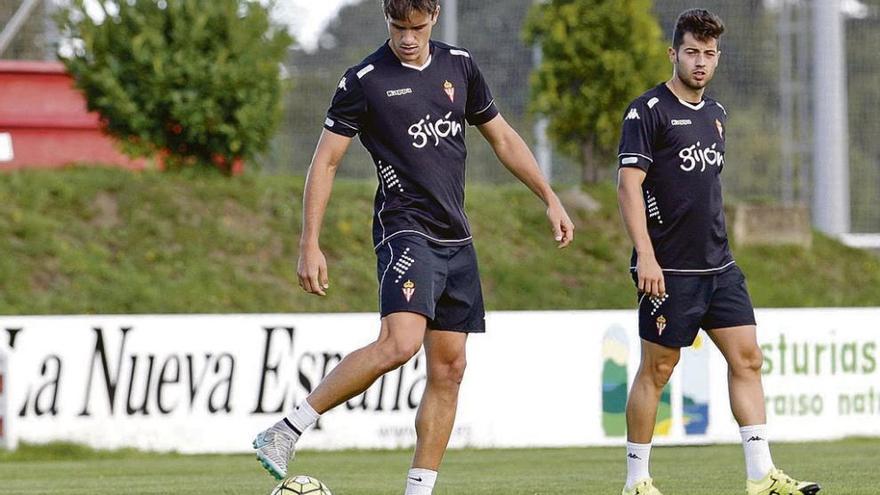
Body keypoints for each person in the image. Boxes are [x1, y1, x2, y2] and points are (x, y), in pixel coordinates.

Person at [253, 1, 574, 493]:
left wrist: (549, 196)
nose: (407, 37)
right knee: (400, 344)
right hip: (405, 229)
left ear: (435, 16)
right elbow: (325, 163)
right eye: (398, 26)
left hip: (456, 237)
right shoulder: (363, 80)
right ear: (387, 18)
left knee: (449, 368)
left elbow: (503, 138)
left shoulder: (460, 66)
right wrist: (309, 242)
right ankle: (288, 428)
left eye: (417, 26)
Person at [616, 9, 820, 495]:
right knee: (658, 370)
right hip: (668, 269)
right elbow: (628, 185)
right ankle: (636, 481)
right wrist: (645, 254)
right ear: (674, 54)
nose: (701, 62)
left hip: (719, 265)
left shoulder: (717, 115)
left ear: (717, 57)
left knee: (748, 358)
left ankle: (761, 476)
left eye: (709, 54)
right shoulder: (646, 112)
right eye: (691, 52)